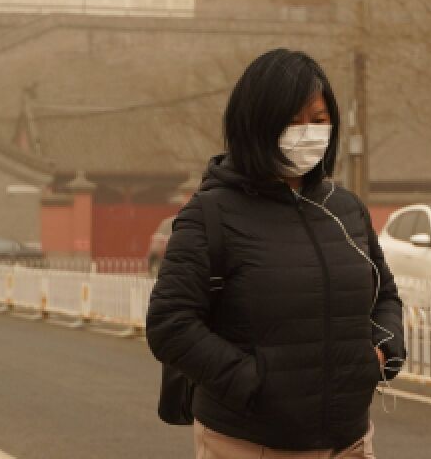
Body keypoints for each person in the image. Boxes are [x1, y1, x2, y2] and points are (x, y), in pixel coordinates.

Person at [147, 48, 405, 458]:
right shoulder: (211, 214)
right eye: (292, 120)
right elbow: (170, 324)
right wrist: (253, 381)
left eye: (319, 120)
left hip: (350, 441)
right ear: (256, 125)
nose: (308, 132)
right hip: (251, 444)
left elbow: (384, 295)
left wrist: (384, 351)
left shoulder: (346, 208)